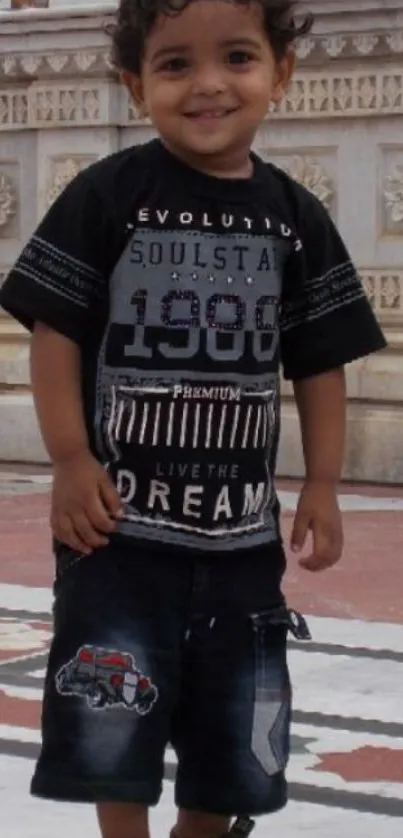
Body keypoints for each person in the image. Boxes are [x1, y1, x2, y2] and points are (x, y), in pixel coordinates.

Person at [0, 1, 386, 836]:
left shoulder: (294, 216)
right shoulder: (108, 194)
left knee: (237, 736)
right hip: (116, 542)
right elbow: (55, 330)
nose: (208, 84)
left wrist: (323, 483)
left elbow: (319, 360)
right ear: (135, 83)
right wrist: (69, 457)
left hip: (241, 549)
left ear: (280, 74)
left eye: (237, 58)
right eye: (174, 64)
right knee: (111, 720)